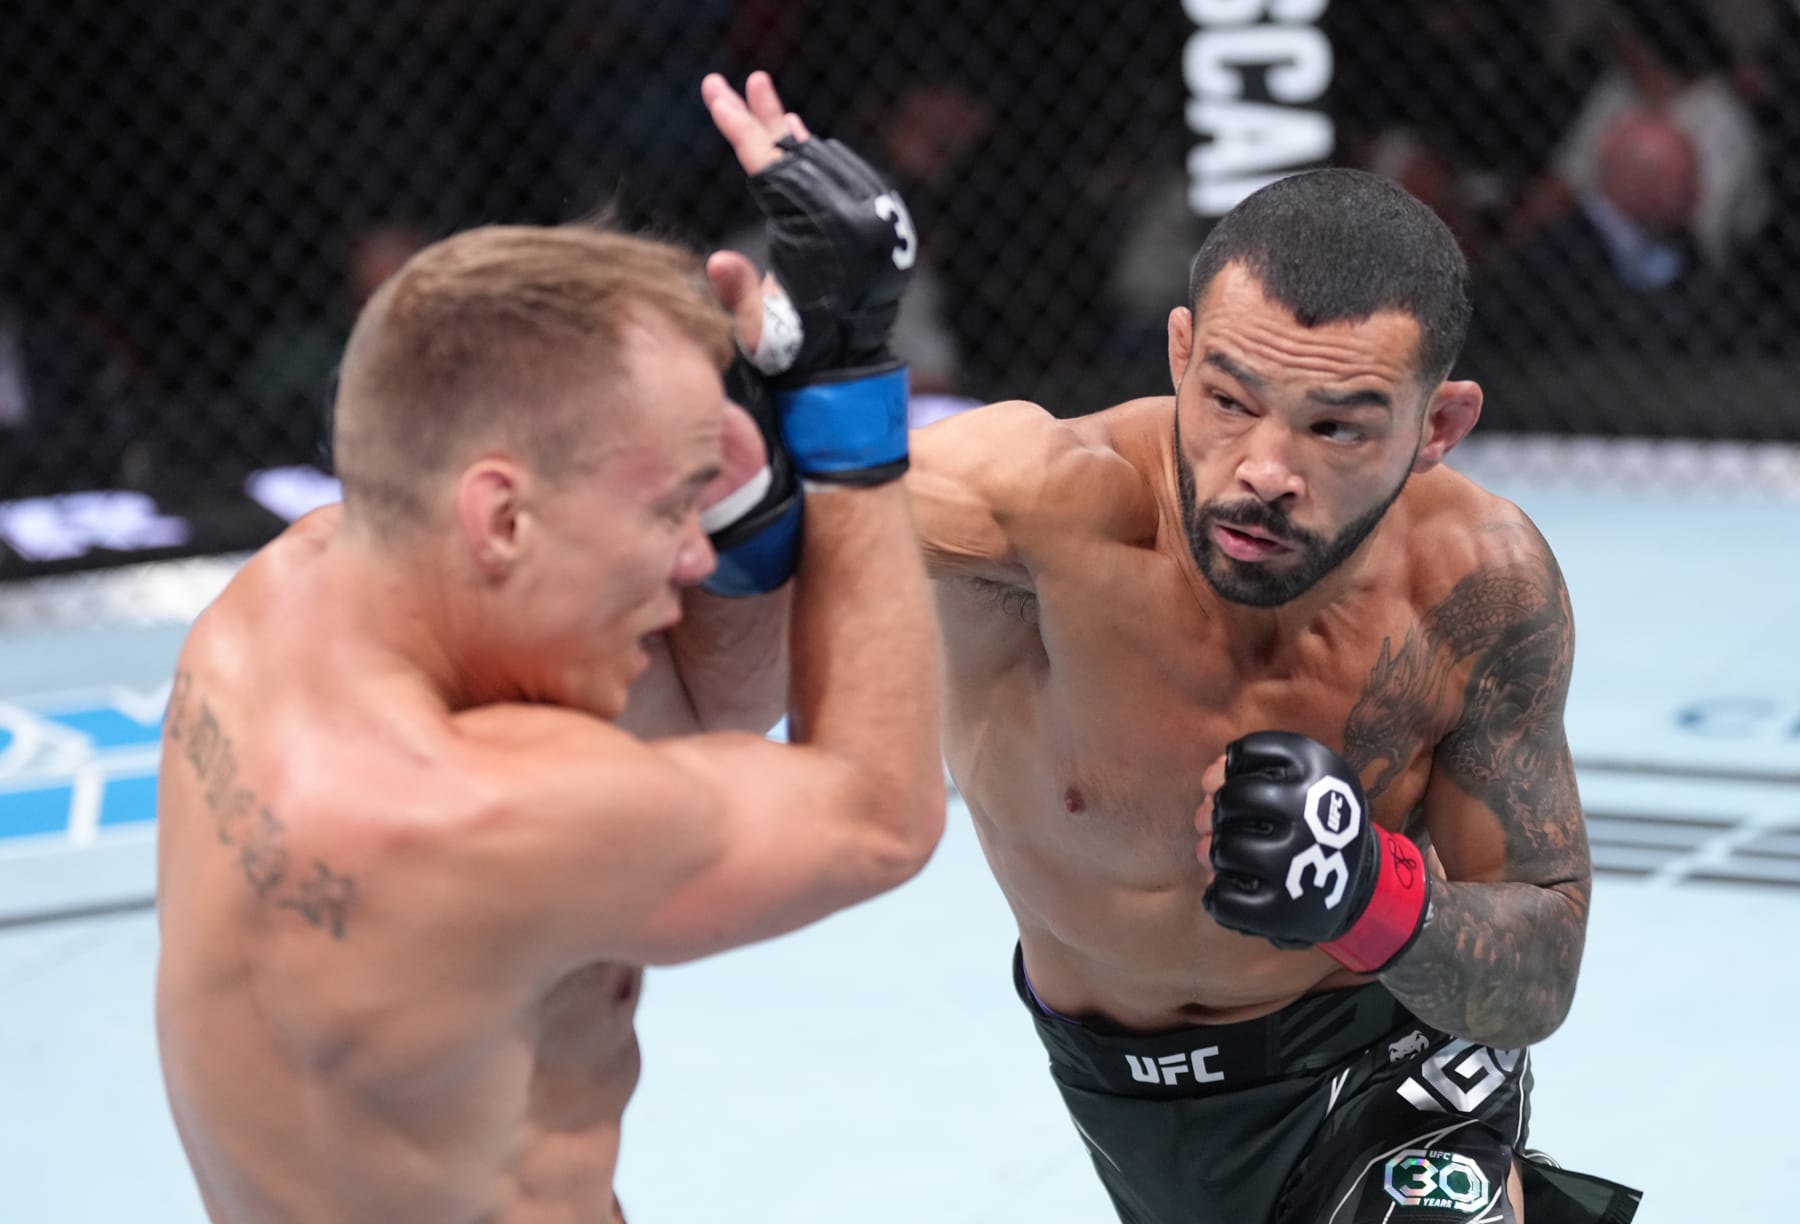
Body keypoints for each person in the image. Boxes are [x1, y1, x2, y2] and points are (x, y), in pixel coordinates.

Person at [154, 73, 943, 1224]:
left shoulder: (295, 593)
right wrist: (852, 405)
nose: (688, 556)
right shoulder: (471, 815)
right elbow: (877, 816)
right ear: (503, 517)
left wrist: (752, 531)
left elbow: (700, 731)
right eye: (672, 508)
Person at [898, 166, 1645, 1219]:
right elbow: (769, 509)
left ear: (1438, 428)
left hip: (1385, 1058)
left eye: (1336, 428)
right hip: (1121, 1094)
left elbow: (1539, 973)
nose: (1264, 469)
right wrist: (796, 359)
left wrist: (1375, 901)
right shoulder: (1036, 508)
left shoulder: (1476, 583)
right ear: (1179, 353)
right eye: (1228, 401)